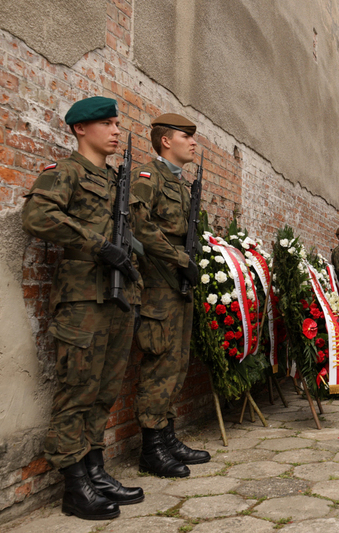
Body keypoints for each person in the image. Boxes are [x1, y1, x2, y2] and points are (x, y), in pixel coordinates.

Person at [22, 97, 144, 519]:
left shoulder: (115, 180)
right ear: (80, 129)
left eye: (116, 123)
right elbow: (37, 216)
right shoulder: (67, 172)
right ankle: (74, 486)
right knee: (76, 393)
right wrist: (97, 246)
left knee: (103, 392)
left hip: (115, 300)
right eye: (106, 123)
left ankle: (95, 469)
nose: (114, 130)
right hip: (82, 302)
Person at [130, 113, 211, 478]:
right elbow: (138, 225)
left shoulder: (181, 184)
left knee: (176, 360)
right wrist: (179, 257)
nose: (194, 142)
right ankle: (151, 449)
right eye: (186, 136)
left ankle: (167, 437)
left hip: (180, 278)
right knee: (160, 360)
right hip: (160, 279)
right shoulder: (148, 176)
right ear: (166, 141)